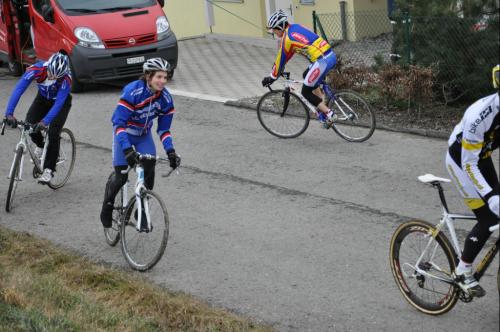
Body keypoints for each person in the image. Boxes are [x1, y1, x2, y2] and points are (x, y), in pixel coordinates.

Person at [100, 57, 181, 230]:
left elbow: (164, 130)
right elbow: (118, 123)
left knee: (149, 170)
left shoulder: (165, 99)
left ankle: (140, 210)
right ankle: (107, 205)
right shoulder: (133, 92)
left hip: (143, 135)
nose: (162, 81)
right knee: (121, 176)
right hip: (124, 135)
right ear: (148, 76)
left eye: (165, 77)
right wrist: (127, 149)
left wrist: (171, 151)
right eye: (158, 77)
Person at [445, 64, 499, 297]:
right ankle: (463, 270)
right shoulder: (480, 116)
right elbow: (469, 164)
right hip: (461, 161)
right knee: (489, 217)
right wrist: (489, 195)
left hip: (482, 158)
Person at [261, 10, 337, 128]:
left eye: (274, 29)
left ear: (280, 27)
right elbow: (289, 53)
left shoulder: (286, 39)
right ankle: (322, 103)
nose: (273, 32)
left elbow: (281, 58)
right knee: (306, 75)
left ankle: (329, 114)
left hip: (322, 62)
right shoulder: (295, 27)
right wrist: (278, 67)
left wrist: (272, 77)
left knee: (305, 92)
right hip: (330, 55)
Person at [4, 52, 72, 183]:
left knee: (53, 132)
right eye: (51, 74)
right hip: (42, 99)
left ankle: (49, 169)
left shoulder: (66, 79)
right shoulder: (37, 69)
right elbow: (19, 89)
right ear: (48, 68)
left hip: (60, 103)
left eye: (57, 77)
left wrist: (45, 122)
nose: (53, 78)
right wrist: (9, 113)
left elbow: (58, 104)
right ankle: (41, 145)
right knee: (29, 124)